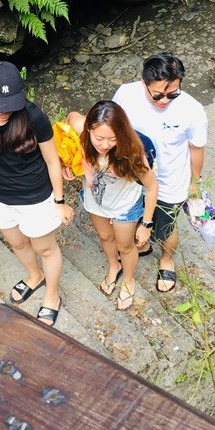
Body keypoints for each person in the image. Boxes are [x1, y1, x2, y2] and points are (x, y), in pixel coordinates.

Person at [0, 61, 74, 326]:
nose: (5, 113)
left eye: (11, 105)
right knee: (18, 242)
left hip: (36, 194)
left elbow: (51, 161)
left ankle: (52, 295)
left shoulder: (33, 116)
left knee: (44, 247)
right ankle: (34, 275)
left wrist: (59, 201)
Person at [112, 53, 207, 293]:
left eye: (173, 93)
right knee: (134, 215)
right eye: (158, 94)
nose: (165, 100)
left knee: (166, 226)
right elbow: (113, 124)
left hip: (170, 180)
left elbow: (197, 149)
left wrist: (194, 183)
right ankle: (142, 246)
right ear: (143, 82)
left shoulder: (192, 110)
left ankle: (167, 259)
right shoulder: (126, 95)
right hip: (134, 175)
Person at [66, 101, 158, 310]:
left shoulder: (133, 153)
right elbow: (72, 116)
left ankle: (128, 279)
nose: (105, 145)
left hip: (125, 205)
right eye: (99, 138)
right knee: (105, 237)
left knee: (125, 245)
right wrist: (70, 163)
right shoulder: (82, 132)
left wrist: (146, 224)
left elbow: (152, 188)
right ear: (89, 129)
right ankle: (113, 266)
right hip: (96, 201)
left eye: (112, 139)